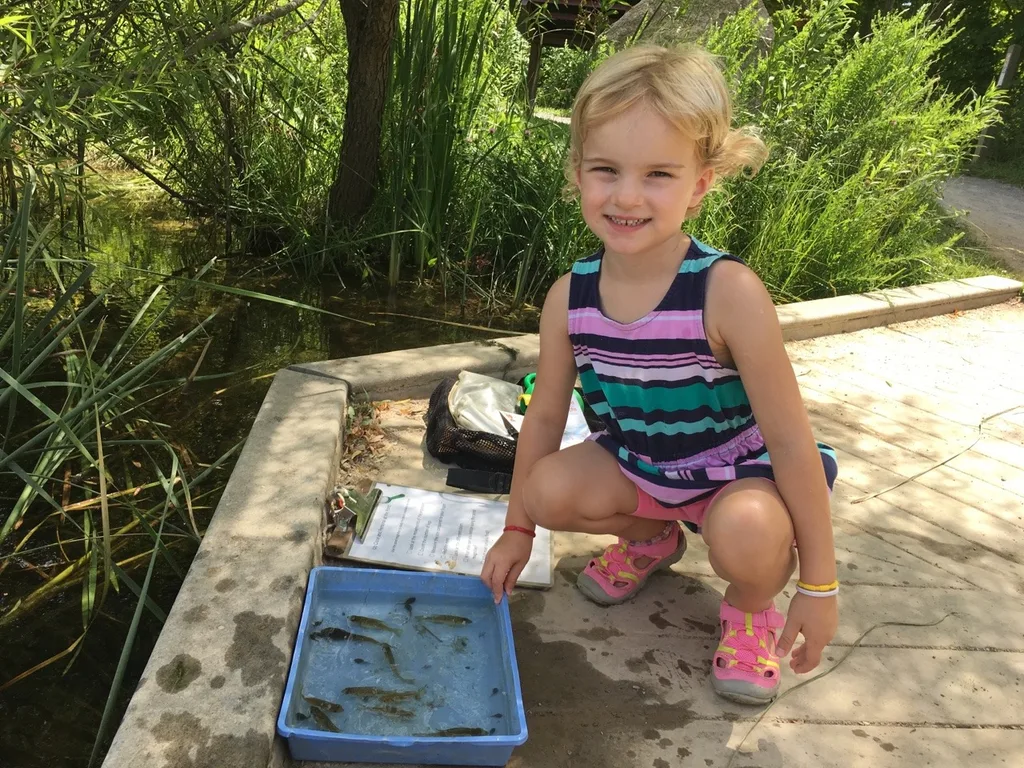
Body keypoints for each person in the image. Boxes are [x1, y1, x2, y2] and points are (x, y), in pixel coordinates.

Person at [480, 45, 840, 706]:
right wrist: (518, 529)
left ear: (700, 184)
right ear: (578, 172)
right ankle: (651, 538)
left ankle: (752, 604)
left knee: (750, 535)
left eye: (658, 175)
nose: (625, 195)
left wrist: (820, 585)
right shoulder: (570, 297)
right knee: (547, 488)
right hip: (643, 468)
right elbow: (546, 416)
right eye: (606, 169)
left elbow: (792, 445)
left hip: (737, 480)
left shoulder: (727, 293)